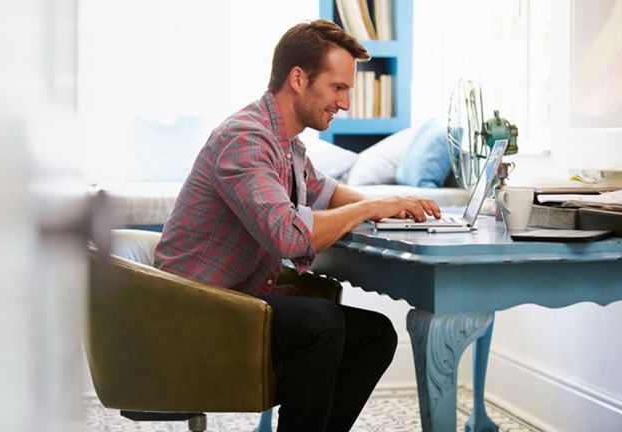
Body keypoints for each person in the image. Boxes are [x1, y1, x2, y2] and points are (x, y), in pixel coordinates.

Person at [154, 19, 441, 432]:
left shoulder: (285, 143)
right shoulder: (246, 138)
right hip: (194, 312)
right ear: (299, 78)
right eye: (337, 88)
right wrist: (373, 208)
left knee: (375, 335)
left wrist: (393, 206)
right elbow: (291, 236)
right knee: (319, 325)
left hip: (231, 301)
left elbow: (327, 192)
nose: (344, 103)